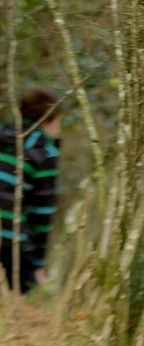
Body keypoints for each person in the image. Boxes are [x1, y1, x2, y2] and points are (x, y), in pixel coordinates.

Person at [0, 86, 62, 293]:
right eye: (59, 122)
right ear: (47, 120)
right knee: (32, 298)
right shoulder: (44, 151)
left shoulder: (4, 133)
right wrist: (38, 265)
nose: (59, 129)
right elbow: (42, 214)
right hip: (9, 235)